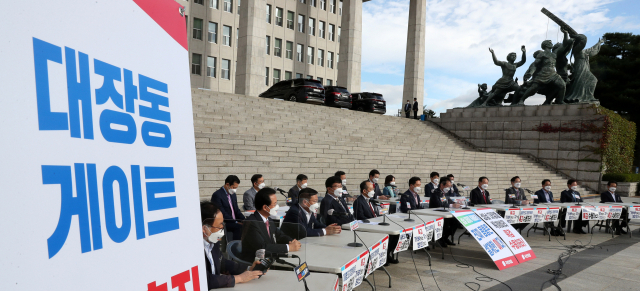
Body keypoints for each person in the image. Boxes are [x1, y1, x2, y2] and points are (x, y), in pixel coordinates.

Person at [200, 201, 263, 289]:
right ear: (205, 228)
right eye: (219, 225)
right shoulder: (192, 250)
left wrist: (248, 269)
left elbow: (222, 263)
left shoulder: (213, 241)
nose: (222, 228)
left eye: (223, 223)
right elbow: (205, 279)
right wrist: (239, 278)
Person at [241, 188, 301, 262]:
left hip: (270, 259)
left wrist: (291, 241)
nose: (277, 206)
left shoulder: (268, 219)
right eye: (274, 204)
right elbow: (262, 247)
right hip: (254, 263)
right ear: (265, 207)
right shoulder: (251, 222)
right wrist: (288, 247)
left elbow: (279, 235)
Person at [211, 175, 246, 240]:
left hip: (234, 220)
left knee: (248, 225)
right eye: (233, 187)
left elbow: (236, 210)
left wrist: (244, 220)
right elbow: (222, 212)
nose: (235, 190)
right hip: (225, 222)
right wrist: (235, 222)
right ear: (227, 184)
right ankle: (235, 247)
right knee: (239, 227)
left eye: (236, 188)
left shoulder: (233, 194)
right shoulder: (217, 195)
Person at [429, 179, 460, 247]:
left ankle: (445, 237)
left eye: (449, 186)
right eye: (447, 186)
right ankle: (440, 239)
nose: (448, 188)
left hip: (444, 212)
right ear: (441, 185)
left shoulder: (444, 193)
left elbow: (445, 202)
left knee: (455, 222)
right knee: (446, 223)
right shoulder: (435, 192)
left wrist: (454, 203)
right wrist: (451, 205)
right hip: (435, 214)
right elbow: (439, 204)